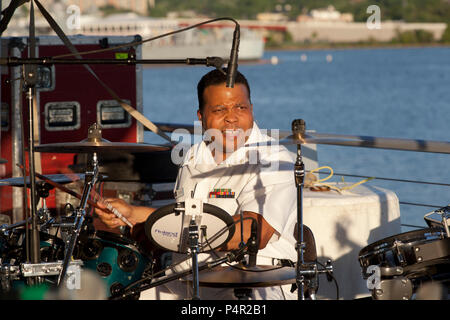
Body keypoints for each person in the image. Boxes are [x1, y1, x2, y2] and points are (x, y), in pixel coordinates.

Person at [95, 68, 299, 300]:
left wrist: (169, 234)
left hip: (253, 283)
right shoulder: (193, 156)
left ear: (251, 109)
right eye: (220, 109)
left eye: (240, 107)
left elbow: (254, 232)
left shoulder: (273, 158)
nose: (231, 117)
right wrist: (133, 213)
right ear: (201, 116)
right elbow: (186, 218)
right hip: (186, 280)